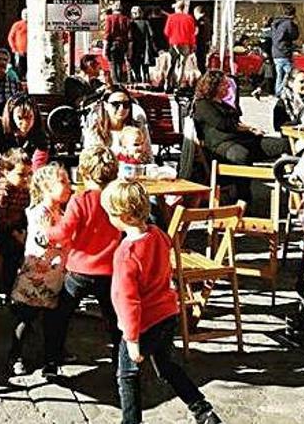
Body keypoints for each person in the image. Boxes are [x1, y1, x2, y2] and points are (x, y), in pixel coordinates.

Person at [100, 180, 224, 424]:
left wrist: (132, 339)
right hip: (166, 314)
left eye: (110, 214)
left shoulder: (126, 253)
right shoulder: (156, 234)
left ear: (122, 216)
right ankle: (202, 410)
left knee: (127, 376)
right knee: (166, 367)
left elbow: (127, 300)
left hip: (143, 322)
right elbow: (167, 244)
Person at [42, 145, 122, 378]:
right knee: (115, 318)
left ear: (84, 172)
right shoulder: (116, 198)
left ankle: (51, 361)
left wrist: (48, 231)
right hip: (109, 269)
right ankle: (122, 360)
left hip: (80, 270)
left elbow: (65, 232)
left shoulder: (80, 200)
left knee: (59, 316)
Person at [7, 164, 72, 376]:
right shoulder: (39, 213)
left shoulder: (59, 210)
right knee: (26, 317)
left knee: (53, 319)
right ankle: (15, 355)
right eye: (63, 182)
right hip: (36, 275)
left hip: (54, 276)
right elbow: (43, 239)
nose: (69, 185)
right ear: (46, 187)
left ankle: (52, 354)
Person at [194, 70, 289, 166]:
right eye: (223, 84)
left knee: (283, 144)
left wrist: (252, 129)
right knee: (241, 155)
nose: (227, 87)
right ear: (213, 86)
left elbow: (236, 122)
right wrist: (249, 129)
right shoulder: (203, 105)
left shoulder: (222, 103)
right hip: (222, 144)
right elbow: (224, 124)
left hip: (242, 139)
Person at [0, 148, 33, 294]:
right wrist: (15, 234)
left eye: (28, 174)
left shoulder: (23, 187)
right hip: (0, 231)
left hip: (16, 225)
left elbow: (26, 210)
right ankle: (9, 288)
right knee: (15, 252)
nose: (26, 179)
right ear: (6, 172)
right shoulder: (3, 190)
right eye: (21, 175)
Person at [0, 95, 50, 169]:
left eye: (29, 117)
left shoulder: (41, 136)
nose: (25, 122)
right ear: (11, 114)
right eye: (20, 118)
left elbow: (37, 165)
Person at [83, 88, 152, 156]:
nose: (121, 108)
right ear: (105, 105)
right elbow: (92, 161)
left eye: (126, 104)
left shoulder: (139, 128)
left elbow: (149, 157)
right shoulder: (95, 132)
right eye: (115, 104)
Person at [163, 0, 198, 92]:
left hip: (174, 43)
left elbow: (166, 32)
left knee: (172, 64)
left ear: (177, 8)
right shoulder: (189, 18)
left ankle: (168, 84)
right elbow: (192, 33)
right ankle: (178, 85)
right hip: (185, 43)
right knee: (182, 64)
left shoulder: (171, 17)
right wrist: (192, 45)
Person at [271, 3, 299, 94]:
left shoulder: (276, 23)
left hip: (275, 52)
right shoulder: (288, 23)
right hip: (284, 52)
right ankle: (285, 92)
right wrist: (296, 25)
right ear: (294, 14)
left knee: (280, 74)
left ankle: (278, 92)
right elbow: (294, 36)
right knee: (290, 74)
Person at [104, 3, 131, 84]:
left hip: (112, 44)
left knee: (112, 65)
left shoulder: (109, 18)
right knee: (120, 64)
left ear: (113, 10)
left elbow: (107, 33)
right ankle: (120, 82)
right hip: (122, 44)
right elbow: (129, 35)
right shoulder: (126, 19)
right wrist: (129, 48)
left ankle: (115, 83)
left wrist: (105, 47)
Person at [128, 6, 155, 84]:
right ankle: (146, 80)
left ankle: (138, 80)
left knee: (136, 65)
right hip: (144, 46)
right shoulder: (146, 22)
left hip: (134, 47)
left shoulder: (131, 23)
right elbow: (151, 34)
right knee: (145, 65)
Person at [8, 9, 29, 79]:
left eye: (27, 14)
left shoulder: (34, 25)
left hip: (31, 52)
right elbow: (10, 37)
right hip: (19, 51)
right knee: (19, 68)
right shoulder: (17, 25)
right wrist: (14, 49)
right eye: (24, 14)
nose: (26, 16)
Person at [193, 5, 213, 75]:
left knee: (200, 62)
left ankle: (202, 76)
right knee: (203, 61)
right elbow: (211, 33)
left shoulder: (199, 21)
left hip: (200, 44)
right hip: (206, 43)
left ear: (197, 12)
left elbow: (196, 33)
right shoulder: (208, 21)